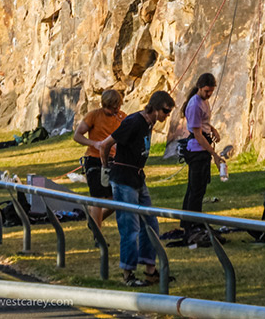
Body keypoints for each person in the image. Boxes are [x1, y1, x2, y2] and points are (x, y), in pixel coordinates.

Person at [97, 90, 175, 287]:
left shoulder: (150, 123)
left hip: (139, 178)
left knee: (151, 224)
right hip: (123, 179)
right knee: (130, 228)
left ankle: (150, 270)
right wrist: (106, 168)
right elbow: (105, 145)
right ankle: (128, 274)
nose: (167, 116)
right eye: (165, 111)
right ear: (155, 108)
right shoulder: (134, 122)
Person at [72, 89, 126, 227]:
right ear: (103, 105)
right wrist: (94, 143)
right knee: (98, 198)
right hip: (94, 160)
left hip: (113, 160)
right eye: (109, 108)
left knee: (115, 199)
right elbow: (77, 135)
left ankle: (95, 221)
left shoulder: (122, 118)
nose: (113, 111)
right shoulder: (94, 116)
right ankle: (98, 235)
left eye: (116, 108)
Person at [179, 73, 223, 234]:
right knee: (196, 190)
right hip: (197, 150)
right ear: (199, 87)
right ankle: (193, 224)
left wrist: (213, 129)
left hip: (203, 145)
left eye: (211, 91)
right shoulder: (194, 105)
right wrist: (214, 154)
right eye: (206, 91)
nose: (209, 94)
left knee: (196, 188)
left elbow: (204, 123)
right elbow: (197, 133)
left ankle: (188, 222)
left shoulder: (204, 102)